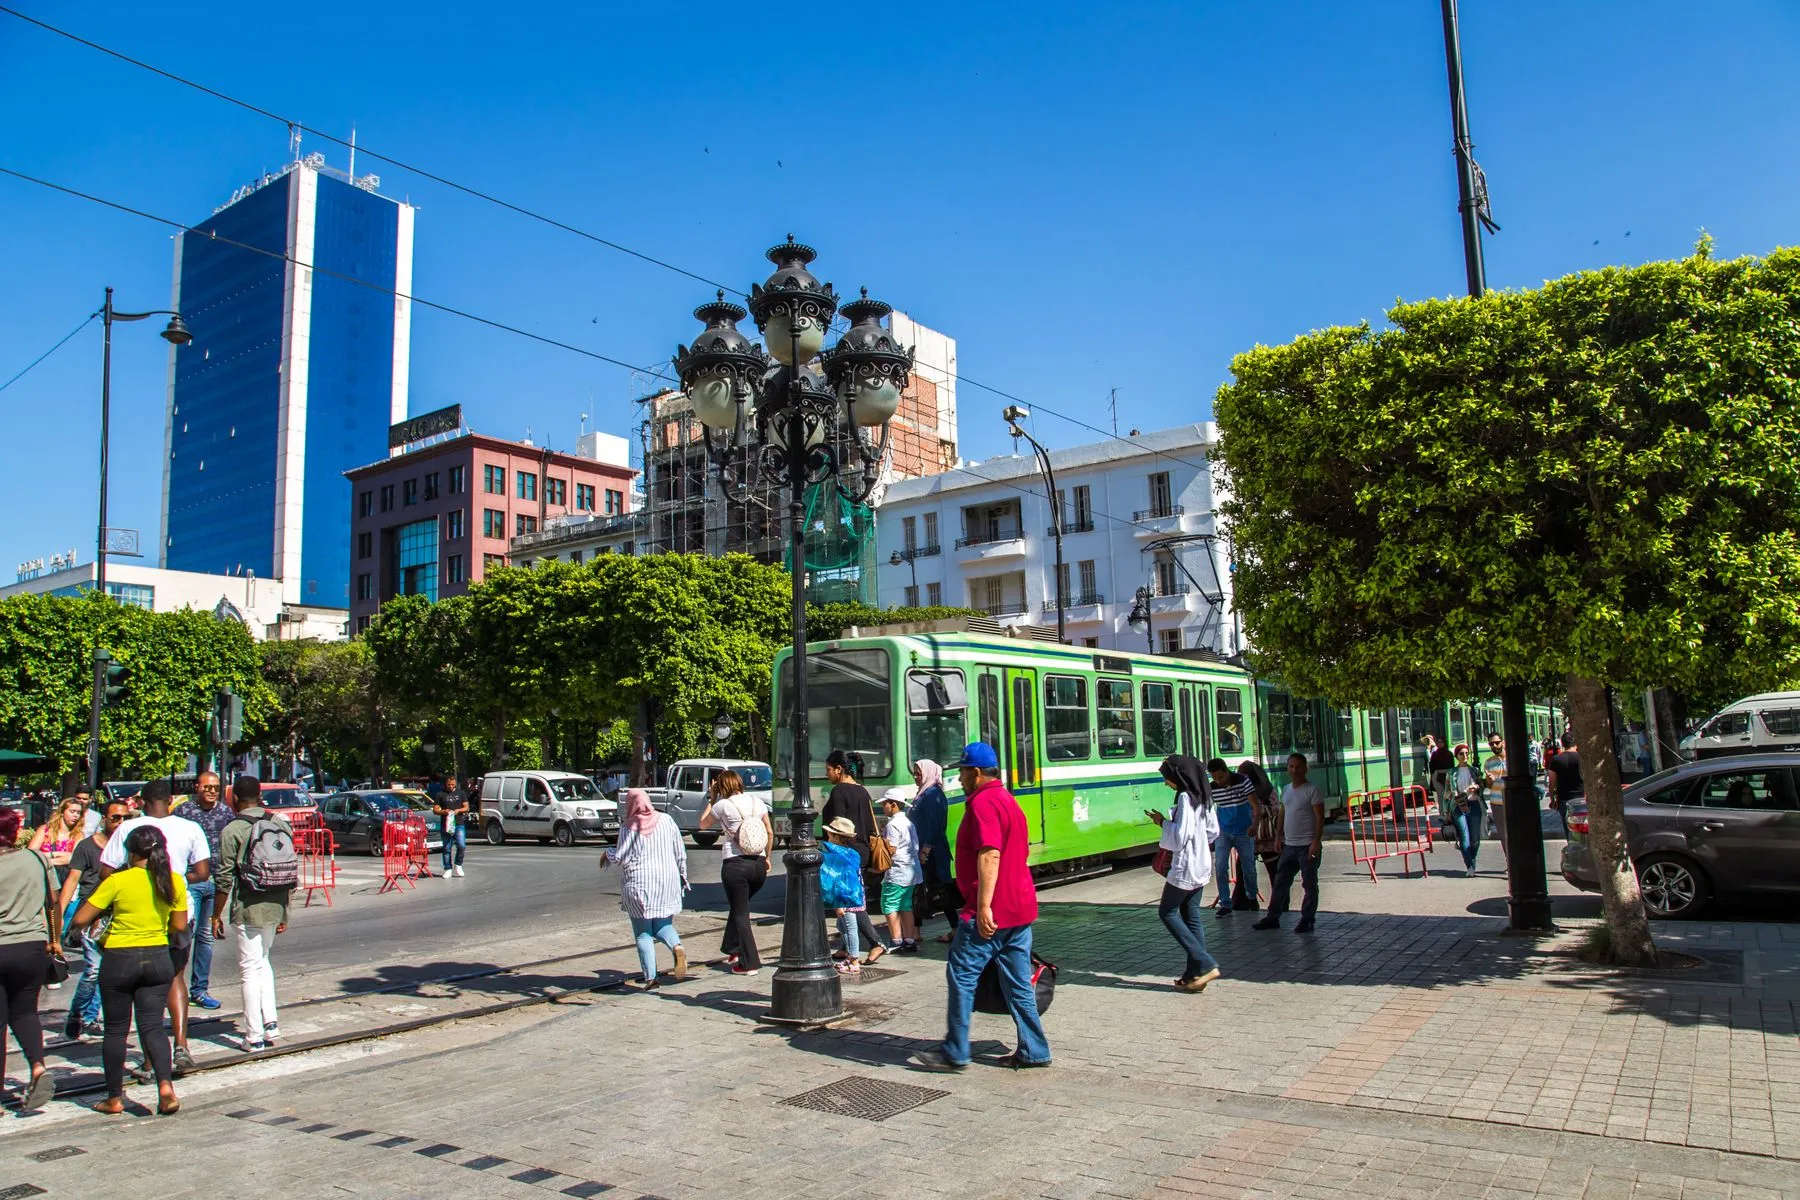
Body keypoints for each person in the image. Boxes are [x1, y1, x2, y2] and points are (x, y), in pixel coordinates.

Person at [913, 742, 1051, 1073]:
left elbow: (990, 854)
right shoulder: (1008, 801)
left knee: (961, 974)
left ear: (975, 773)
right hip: (1019, 909)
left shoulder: (984, 804)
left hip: (991, 912)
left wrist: (984, 905)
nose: (959, 779)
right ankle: (1034, 1049)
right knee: (1018, 984)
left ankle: (956, 1050)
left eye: (961, 772)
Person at [72, 824, 186, 1116]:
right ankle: (165, 1088)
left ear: (130, 852)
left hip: (120, 960)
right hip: (158, 958)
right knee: (152, 1027)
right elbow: (180, 925)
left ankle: (114, 1098)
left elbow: (81, 918)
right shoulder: (173, 881)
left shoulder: (118, 881)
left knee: (115, 1031)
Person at [100, 780, 210, 1073]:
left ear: (142, 801)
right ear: (171, 800)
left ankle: (150, 1059)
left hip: (140, 915)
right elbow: (202, 872)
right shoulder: (191, 827)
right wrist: (176, 879)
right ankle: (182, 1045)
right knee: (175, 977)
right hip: (180, 910)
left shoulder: (128, 829)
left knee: (143, 988)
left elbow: (106, 870)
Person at [212, 777, 291, 1052]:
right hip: (276, 904)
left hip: (248, 905)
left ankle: (253, 1035)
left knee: (248, 968)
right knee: (263, 961)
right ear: (260, 796)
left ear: (234, 799)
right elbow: (288, 869)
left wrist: (215, 915)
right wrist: (285, 911)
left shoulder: (233, 829)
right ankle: (271, 1023)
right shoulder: (279, 823)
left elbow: (224, 878)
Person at [0, 808, 60, 1111]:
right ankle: (37, 1066)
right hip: (31, 946)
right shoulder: (37, 859)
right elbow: (54, 902)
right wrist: (55, 940)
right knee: (24, 1012)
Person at [1146, 756, 1222, 993]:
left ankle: (1205, 962)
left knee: (1167, 912)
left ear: (1177, 777)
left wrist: (1162, 822)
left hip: (1186, 866)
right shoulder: (1204, 794)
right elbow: (1213, 831)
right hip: (1202, 864)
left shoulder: (1185, 798)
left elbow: (1179, 838)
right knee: (1192, 916)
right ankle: (1194, 976)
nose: (1166, 783)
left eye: (1166, 778)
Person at [599, 790, 688, 989]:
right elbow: (680, 853)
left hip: (640, 885)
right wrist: (683, 877)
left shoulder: (629, 827)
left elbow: (621, 857)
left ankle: (651, 978)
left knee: (643, 933)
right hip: (667, 882)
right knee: (663, 925)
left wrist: (607, 853)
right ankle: (676, 946)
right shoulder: (667, 820)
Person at [60, 799, 130, 1041]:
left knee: (110, 970)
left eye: (126, 818)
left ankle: (92, 1016)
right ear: (104, 819)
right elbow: (71, 881)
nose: (121, 822)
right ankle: (78, 1014)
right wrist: (58, 919)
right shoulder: (87, 847)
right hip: (93, 915)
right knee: (94, 969)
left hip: (120, 915)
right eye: (115, 818)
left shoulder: (132, 848)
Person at [818, 749, 891, 964]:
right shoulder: (862, 791)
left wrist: (833, 852)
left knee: (850, 903)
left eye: (829, 770)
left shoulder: (839, 792)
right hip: (863, 851)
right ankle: (844, 946)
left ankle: (876, 942)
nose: (827, 774)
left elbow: (839, 825)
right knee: (850, 899)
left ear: (839, 770)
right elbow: (869, 825)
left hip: (846, 852)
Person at [699, 769, 770, 977]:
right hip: (758, 865)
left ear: (721, 787)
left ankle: (749, 963)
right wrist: (767, 858)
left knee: (741, 914)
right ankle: (732, 947)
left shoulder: (723, 805)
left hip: (735, 864)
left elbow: (702, 824)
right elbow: (769, 830)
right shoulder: (758, 802)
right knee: (739, 906)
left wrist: (712, 799)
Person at [176, 772, 233, 1011]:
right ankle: (174, 986)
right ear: (197, 787)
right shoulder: (183, 812)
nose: (212, 791)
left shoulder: (225, 813)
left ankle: (199, 989)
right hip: (191, 882)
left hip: (216, 882)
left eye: (216, 787)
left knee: (206, 936)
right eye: (207, 787)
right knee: (183, 937)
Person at [1255, 753, 1325, 934]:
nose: (1294, 770)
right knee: (1280, 882)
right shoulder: (1286, 789)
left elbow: (1319, 818)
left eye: (1298, 766)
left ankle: (1307, 919)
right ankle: (1273, 917)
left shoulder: (1312, 790)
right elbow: (1282, 814)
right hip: (1289, 845)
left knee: (1309, 884)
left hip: (1307, 845)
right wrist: (1278, 837)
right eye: (1291, 766)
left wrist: (1315, 842)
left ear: (1305, 768)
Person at [908, 759, 959, 943]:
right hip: (924, 851)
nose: (915, 776)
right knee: (920, 890)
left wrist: (925, 850)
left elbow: (934, 825)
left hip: (933, 853)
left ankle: (955, 928)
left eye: (919, 773)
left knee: (940, 891)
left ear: (928, 773)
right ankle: (916, 931)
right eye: (914, 772)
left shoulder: (932, 796)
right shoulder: (924, 793)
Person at [1207, 760, 1259, 917]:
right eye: (1215, 778)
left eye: (1221, 777)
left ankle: (1251, 896)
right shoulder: (1213, 788)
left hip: (1244, 830)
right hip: (1223, 831)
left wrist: (1254, 825)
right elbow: (1207, 809)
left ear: (1226, 771)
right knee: (1220, 866)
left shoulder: (1243, 781)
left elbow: (1256, 805)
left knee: (1248, 867)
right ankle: (1225, 902)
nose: (1219, 781)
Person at [820, 817, 867, 976]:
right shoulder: (852, 853)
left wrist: (838, 903)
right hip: (855, 895)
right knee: (842, 926)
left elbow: (837, 880)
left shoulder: (835, 854)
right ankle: (850, 957)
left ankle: (854, 960)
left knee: (849, 927)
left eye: (830, 834)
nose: (828, 836)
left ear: (835, 836)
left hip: (844, 897)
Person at [879, 790, 921, 954]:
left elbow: (892, 849)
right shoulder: (908, 822)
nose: (883, 807)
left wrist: (880, 845)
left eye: (885, 803)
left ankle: (896, 940)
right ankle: (909, 940)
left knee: (889, 905)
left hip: (897, 871)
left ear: (893, 804)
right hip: (911, 870)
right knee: (905, 905)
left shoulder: (893, 824)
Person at [1231, 760, 1273, 911]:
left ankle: (1244, 903)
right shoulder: (1268, 789)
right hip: (1269, 840)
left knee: (1243, 873)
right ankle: (1279, 905)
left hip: (1249, 839)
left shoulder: (1242, 791)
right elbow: (1276, 810)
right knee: (1275, 876)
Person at [1450, 744, 1485, 874]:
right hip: (1458, 806)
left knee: (1475, 840)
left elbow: (1482, 787)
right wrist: (1446, 811)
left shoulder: (1475, 770)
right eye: (1461, 754)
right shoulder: (1452, 772)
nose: (1464, 756)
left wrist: (1476, 787)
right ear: (1456, 756)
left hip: (1474, 804)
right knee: (1464, 837)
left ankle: (1472, 858)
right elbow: (1448, 792)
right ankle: (1469, 866)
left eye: (1466, 753)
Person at [29, 796, 88, 873]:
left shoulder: (78, 835)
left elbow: (73, 859)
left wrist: (46, 860)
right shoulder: (44, 830)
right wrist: (57, 854)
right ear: (62, 812)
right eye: (72, 811)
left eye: (78, 813)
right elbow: (31, 854)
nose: (75, 815)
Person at [1547, 735, 1582, 840]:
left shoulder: (1556, 760)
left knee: (1569, 829)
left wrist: (1552, 799)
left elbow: (1551, 784)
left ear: (1562, 744)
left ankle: (1572, 846)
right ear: (1575, 743)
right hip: (1582, 798)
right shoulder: (1582, 758)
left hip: (1564, 799)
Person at [435, 782, 467, 878]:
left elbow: (466, 807)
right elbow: (435, 810)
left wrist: (459, 810)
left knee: (461, 845)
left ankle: (458, 864)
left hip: (458, 823)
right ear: (446, 784)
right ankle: (447, 868)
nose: (451, 786)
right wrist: (444, 811)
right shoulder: (440, 794)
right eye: (449, 784)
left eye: (453, 784)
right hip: (446, 824)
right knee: (446, 847)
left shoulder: (461, 793)